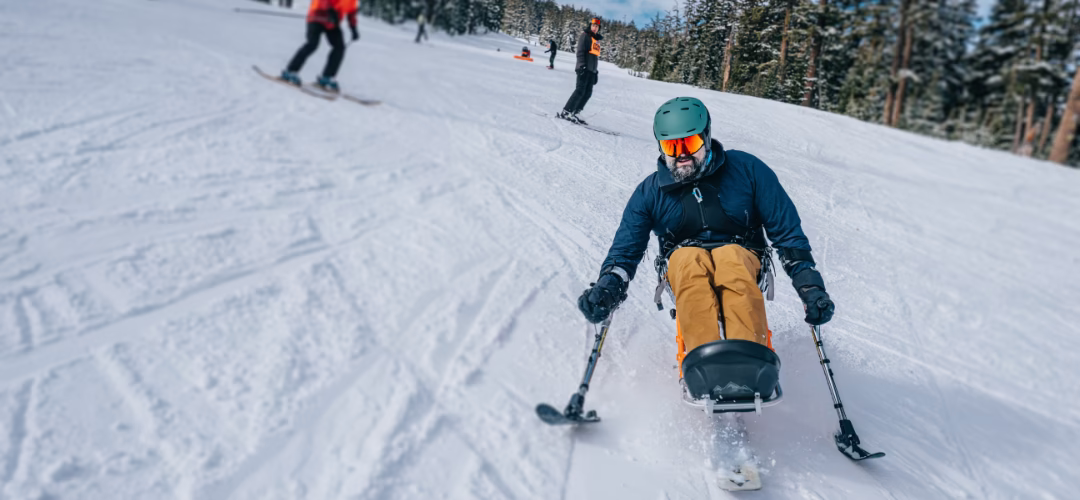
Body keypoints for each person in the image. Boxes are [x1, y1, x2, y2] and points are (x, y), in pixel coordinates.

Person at [577, 97, 835, 358]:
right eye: (671, 145)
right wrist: (609, 286)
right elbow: (626, 249)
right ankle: (705, 362)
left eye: (689, 142)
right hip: (682, 258)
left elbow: (786, 231)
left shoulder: (748, 170)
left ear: (707, 136)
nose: (681, 154)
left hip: (742, 252)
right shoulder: (650, 192)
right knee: (690, 262)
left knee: (731, 261)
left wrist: (809, 286)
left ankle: (751, 359)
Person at [280, 0, 359, 92]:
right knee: (312, 44)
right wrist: (330, 10)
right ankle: (290, 71)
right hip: (317, 16)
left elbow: (351, 12)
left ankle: (327, 77)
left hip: (332, 23)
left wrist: (353, 28)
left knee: (339, 47)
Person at [557, 18, 603, 124]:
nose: (595, 28)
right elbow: (580, 52)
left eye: (597, 27)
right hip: (584, 68)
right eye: (593, 26)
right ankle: (566, 111)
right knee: (580, 91)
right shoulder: (585, 36)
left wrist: (595, 72)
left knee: (588, 93)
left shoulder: (596, 40)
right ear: (590, 26)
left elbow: (595, 57)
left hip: (592, 71)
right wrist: (581, 66)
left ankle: (576, 112)